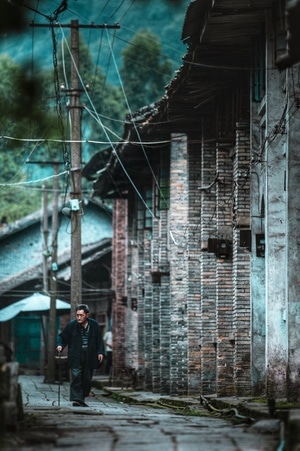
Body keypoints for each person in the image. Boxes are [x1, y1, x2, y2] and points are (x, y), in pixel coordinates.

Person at [56, 304, 105, 407]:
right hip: (75, 355)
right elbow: (62, 337)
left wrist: (100, 352)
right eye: (77, 315)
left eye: (81, 315)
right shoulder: (71, 325)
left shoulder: (94, 325)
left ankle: (81, 397)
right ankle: (77, 399)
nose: (78, 317)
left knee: (87, 378)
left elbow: (99, 340)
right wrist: (60, 345)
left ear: (87, 315)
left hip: (89, 355)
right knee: (76, 376)